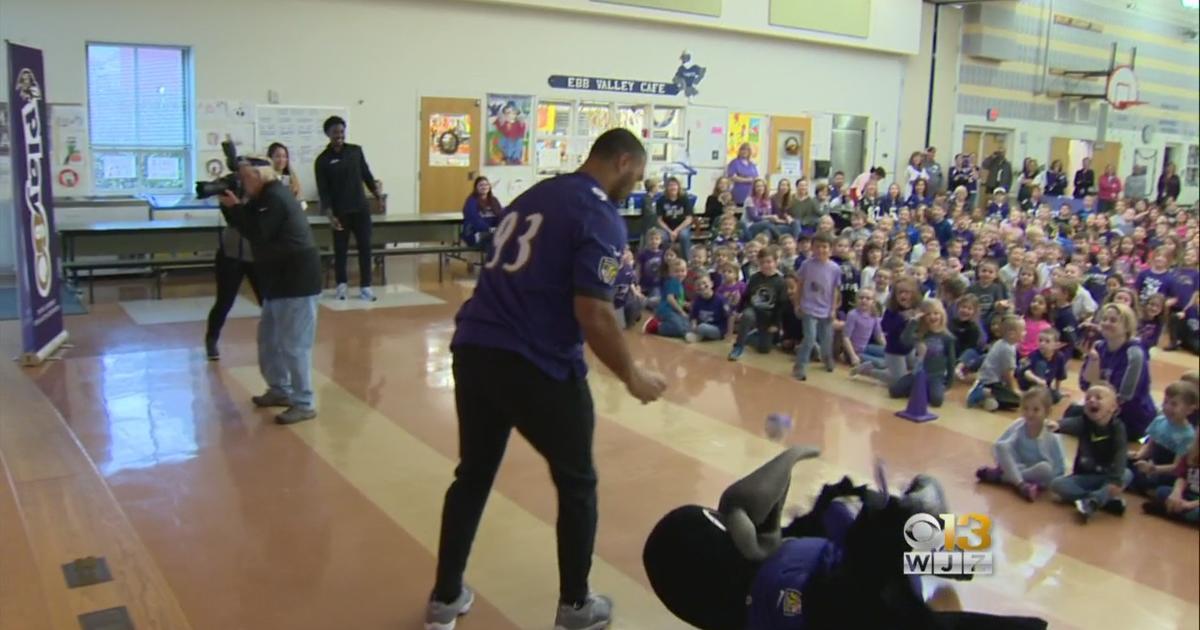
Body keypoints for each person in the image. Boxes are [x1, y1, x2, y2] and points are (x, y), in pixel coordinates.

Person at [425, 128, 667, 630]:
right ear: (622, 161)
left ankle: (445, 599)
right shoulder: (599, 213)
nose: (635, 187)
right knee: (578, 482)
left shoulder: (533, 196)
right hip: (537, 363)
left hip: (475, 349)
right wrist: (631, 375)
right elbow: (594, 312)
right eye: (636, 176)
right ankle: (575, 606)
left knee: (472, 475)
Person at [642, 447, 1050, 630]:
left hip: (848, 588)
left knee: (940, 577)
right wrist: (885, 519)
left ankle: (953, 550)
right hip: (869, 596)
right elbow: (855, 582)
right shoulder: (790, 588)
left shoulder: (751, 604)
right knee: (947, 552)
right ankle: (952, 545)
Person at [217, 158, 322, 425]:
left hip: (297, 279)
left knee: (294, 346)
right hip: (277, 279)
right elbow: (245, 224)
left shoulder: (275, 197)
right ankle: (279, 390)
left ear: (259, 175)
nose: (242, 182)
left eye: (245, 177)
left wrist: (237, 208)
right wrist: (231, 207)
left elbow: (258, 232)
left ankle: (304, 402)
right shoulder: (263, 196)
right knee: (269, 341)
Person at [204, 139, 267, 361]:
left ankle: (272, 340)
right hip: (231, 252)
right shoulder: (230, 186)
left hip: (256, 254)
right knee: (224, 301)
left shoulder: (266, 191)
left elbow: (258, 218)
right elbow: (234, 217)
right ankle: (211, 341)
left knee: (266, 301)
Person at [314, 115, 384, 301]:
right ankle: (341, 285)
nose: (339, 135)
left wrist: (377, 196)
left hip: (360, 209)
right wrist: (330, 215)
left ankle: (366, 287)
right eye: (335, 132)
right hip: (339, 212)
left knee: (365, 247)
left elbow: (367, 176)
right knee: (340, 249)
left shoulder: (355, 151)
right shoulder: (322, 160)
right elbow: (324, 191)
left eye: (342, 131)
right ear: (328, 134)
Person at [1049, 384, 1133, 522]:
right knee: (1057, 484)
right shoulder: (1084, 422)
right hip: (1085, 477)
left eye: (1098, 398)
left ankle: (1094, 500)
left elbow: (1120, 453)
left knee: (1127, 474)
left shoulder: (1118, 428)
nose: (1091, 400)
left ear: (1113, 407)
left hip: (1108, 477)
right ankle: (1100, 499)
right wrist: (1058, 425)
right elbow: (1073, 423)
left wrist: (1116, 480)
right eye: (1088, 398)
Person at [1078, 302, 1156, 439]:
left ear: (1126, 327)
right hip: (1103, 409)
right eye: (1104, 319)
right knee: (1071, 415)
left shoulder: (1134, 353)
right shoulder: (1098, 346)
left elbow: (1125, 396)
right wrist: (1094, 359)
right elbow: (1087, 386)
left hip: (1130, 417)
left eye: (1113, 320)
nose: (1107, 323)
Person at [977, 387, 1067, 501]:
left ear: (1047, 412)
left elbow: (1059, 466)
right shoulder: (1019, 425)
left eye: (1036, 410)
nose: (1030, 413)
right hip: (1017, 464)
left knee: (1046, 468)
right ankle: (1022, 485)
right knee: (1001, 446)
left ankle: (1002, 478)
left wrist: (1053, 480)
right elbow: (1000, 446)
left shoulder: (1051, 435)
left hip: (1036, 473)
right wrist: (1004, 461)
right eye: (1026, 408)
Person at [1129, 382, 1198, 494]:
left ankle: (1145, 488)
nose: (1167, 407)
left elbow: (1176, 467)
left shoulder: (1188, 435)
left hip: (1165, 470)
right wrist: (1138, 455)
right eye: (1165, 402)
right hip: (1151, 463)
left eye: (1174, 404)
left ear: (1189, 410)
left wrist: (1153, 469)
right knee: (1127, 462)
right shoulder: (1159, 420)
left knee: (1154, 482)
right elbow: (1149, 447)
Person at [890, 298, 956, 407]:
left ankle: (923, 389)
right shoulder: (920, 334)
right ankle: (918, 388)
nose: (933, 317)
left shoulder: (947, 337)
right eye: (928, 314)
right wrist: (913, 322)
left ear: (942, 315)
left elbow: (951, 361)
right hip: (917, 373)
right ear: (923, 317)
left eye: (936, 313)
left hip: (935, 376)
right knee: (894, 391)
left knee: (936, 400)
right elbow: (905, 340)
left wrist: (949, 383)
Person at [793, 234, 841, 380]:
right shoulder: (806, 265)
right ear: (812, 248)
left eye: (824, 247)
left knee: (826, 339)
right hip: (808, 307)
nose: (821, 250)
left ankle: (826, 358)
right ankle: (800, 365)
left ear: (830, 249)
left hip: (825, 310)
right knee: (809, 338)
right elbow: (799, 285)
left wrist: (833, 309)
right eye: (817, 247)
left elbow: (835, 290)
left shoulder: (835, 268)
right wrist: (797, 304)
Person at [729, 247, 788, 360]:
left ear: (776, 262)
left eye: (769, 262)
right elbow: (746, 296)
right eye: (762, 263)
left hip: (768, 317)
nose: (766, 265)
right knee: (747, 315)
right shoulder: (755, 278)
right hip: (754, 311)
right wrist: (739, 310)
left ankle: (753, 335)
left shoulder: (781, 282)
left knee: (764, 349)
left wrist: (776, 324)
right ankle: (738, 346)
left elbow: (781, 305)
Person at [967, 315, 1023, 412]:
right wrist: (1015, 390)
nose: (1025, 333)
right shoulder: (1007, 348)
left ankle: (988, 398)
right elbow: (1008, 375)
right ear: (1012, 334)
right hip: (990, 382)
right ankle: (982, 392)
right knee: (1018, 400)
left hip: (992, 380)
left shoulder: (1003, 343)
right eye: (1023, 331)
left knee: (999, 403)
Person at [1142, 434, 1200, 524]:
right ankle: (1178, 512)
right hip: (1189, 494)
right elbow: (1182, 477)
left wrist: (1189, 505)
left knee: (1196, 513)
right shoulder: (1192, 452)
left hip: (1196, 502)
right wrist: (1176, 494)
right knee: (1162, 491)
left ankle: (1172, 511)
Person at [1016, 329, 1068, 403]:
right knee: (1041, 364)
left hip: (1044, 386)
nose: (1042, 343)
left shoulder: (1060, 357)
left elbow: (1059, 376)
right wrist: (1037, 380)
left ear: (1056, 345)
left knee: (1056, 397)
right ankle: (1031, 394)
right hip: (1029, 384)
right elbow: (1026, 372)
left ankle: (1036, 396)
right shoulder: (1034, 355)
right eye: (1040, 340)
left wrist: (1057, 390)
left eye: (1047, 341)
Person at [656, 176, 694, 258]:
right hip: (666, 228)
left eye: (675, 185)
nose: (673, 187)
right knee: (662, 238)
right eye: (670, 185)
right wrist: (670, 232)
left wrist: (676, 231)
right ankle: (663, 262)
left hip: (682, 227)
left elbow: (689, 219)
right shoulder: (661, 200)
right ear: (666, 187)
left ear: (678, 187)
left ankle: (687, 261)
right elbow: (659, 220)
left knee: (683, 236)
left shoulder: (684, 199)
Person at [461, 176, 503, 251]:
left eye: (486, 185)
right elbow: (474, 219)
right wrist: (488, 229)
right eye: (481, 185)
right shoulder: (471, 201)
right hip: (475, 233)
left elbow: (501, 215)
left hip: (493, 232)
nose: (484, 187)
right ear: (476, 187)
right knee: (492, 240)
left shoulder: (494, 200)